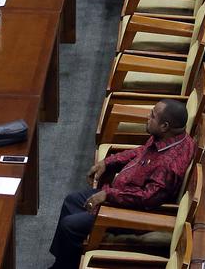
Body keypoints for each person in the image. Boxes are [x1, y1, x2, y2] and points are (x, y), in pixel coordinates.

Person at [49, 99, 196, 268]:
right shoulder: (167, 138)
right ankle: (62, 263)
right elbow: (142, 151)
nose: (147, 117)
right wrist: (108, 162)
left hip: (132, 211)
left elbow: (149, 198)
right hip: (122, 193)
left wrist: (108, 194)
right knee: (71, 200)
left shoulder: (169, 165)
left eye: (152, 116)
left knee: (70, 226)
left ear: (165, 126)